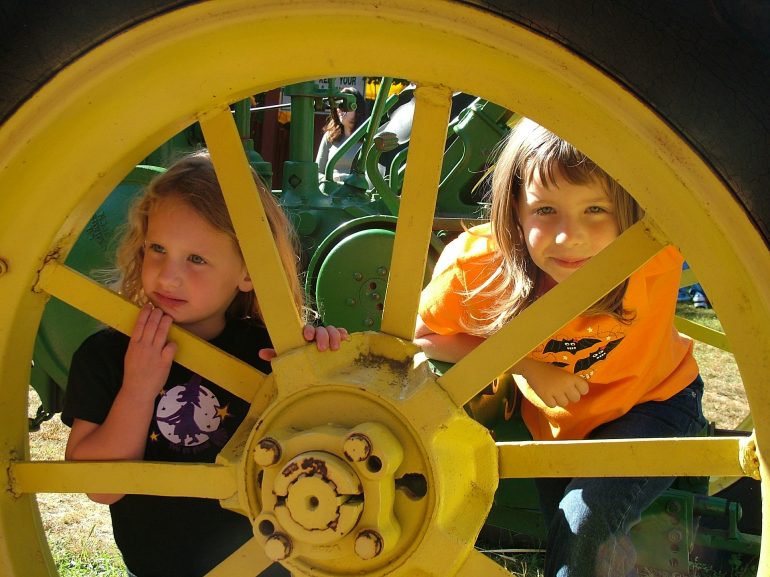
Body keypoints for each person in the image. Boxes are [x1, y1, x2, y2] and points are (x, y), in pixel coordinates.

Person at [415, 118, 707, 576]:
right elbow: (426, 335)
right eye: (546, 210)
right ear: (513, 207)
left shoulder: (656, 246)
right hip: (561, 427)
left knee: (581, 520)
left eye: (596, 210)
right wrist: (528, 366)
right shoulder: (477, 270)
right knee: (571, 533)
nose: (570, 236)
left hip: (657, 401)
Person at [62, 151, 348, 577]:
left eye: (196, 259)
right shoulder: (105, 357)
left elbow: (331, 444)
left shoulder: (275, 354)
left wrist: (326, 364)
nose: (167, 276)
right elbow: (100, 486)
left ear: (250, 271)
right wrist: (138, 387)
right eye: (157, 249)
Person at [316, 86, 368, 183]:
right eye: (338, 105)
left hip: (357, 194)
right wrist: (332, 180)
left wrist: (344, 179)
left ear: (357, 108)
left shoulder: (368, 139)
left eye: (345, 105)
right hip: (330, 192)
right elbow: (317, 173)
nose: (340, 109)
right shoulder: (329, 136)